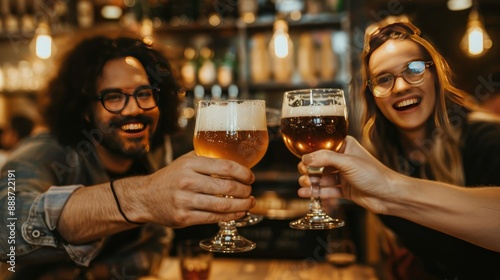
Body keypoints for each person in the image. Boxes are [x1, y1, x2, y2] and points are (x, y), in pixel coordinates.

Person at [0, 33, 256, 279]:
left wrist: (86, 275)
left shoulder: (155, 150)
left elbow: (153, 249)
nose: (134, 108)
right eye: (113, 97)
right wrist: (142, 197)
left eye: (144, 94)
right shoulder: (48, 151)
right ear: (85, 110)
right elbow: (6, 227)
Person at [297, 15, 500, 279]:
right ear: (373, 96)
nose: (401, 87)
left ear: (435, 76)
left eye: (414, 69)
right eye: (383, 79)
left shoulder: (484, 136)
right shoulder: (382, 156)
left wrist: (387, 187)